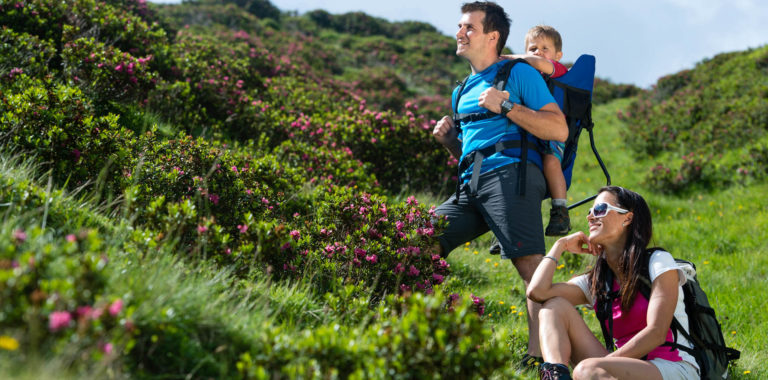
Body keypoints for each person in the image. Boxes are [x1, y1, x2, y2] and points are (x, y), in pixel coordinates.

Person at [431, 1, 567, 365]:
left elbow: (558, 128)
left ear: (492, 36)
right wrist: (449, 143)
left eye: (469, 27)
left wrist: (505, 107)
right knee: (419, 240)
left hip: (512, 175)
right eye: (460, 27)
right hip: (470, 185)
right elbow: (470, 153)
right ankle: (423, 334)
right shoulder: (460, 91)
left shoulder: (519, 74)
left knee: (531, 269)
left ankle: (541, 359)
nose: (460, 33)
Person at [526, 186, 699, 380]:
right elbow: (537, 293)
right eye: (590, 212)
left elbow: (657, 332)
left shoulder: (658, 261)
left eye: (600, 210)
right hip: (622, 366)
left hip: (671, 366)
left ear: (628, 218)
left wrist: (600, 365)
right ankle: (555, 377)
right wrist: (560, 246)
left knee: (587, 370)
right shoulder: (598, 280)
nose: (590, 217)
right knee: (552, 306)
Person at [503, 25, 571, 236]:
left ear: (557, 55)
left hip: (552, 131)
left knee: (551, 162)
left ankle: (560, 210)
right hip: (527, 133)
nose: (538, 52)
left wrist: (505, 57)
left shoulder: (558, 70)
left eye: (545, 48)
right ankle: (507, 224)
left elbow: (540, 63)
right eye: (532, 48)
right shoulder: (521, 75)